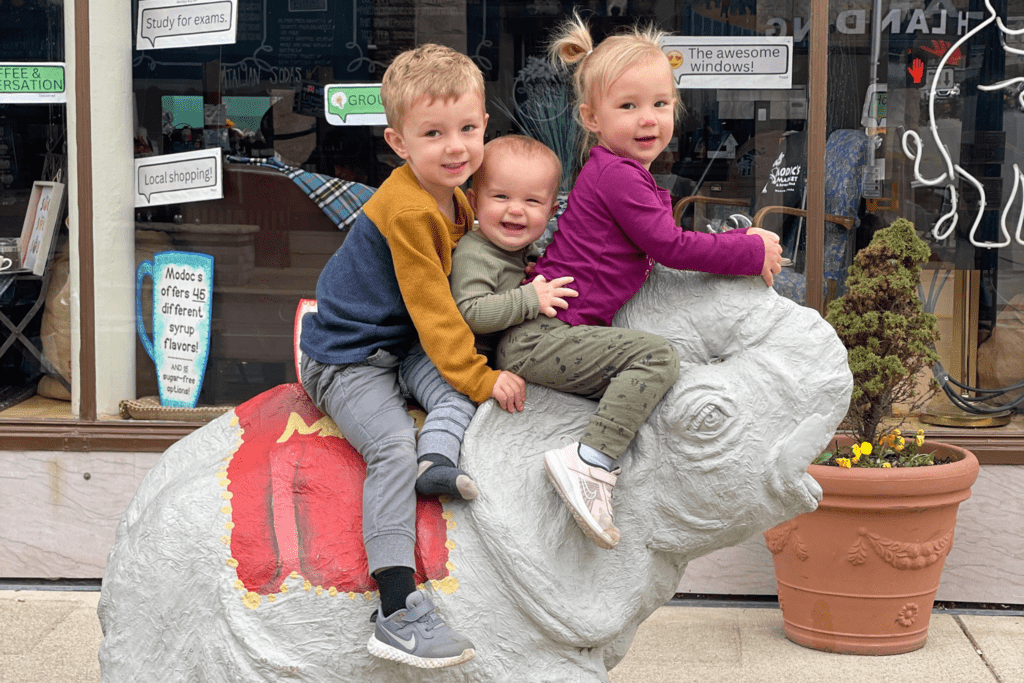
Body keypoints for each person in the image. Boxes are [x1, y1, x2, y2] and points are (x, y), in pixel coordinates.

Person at [496, 14, 783, 550]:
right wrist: (748, 249)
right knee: (657, 359)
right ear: (592, 118)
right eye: (628, 107)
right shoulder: (617, 175)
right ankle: (590, 462)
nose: (648, 119)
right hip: (545, 337)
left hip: (558, 331)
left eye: (660, 104)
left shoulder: (623, 173)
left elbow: (659, 247)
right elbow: (669, 245)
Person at [298, 43, 526, 670]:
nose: (456, 147)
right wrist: (482, 375)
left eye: (469, 129)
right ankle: (395, 610)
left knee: (448, 392)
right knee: (391, 444)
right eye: (433, 133)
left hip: (398, 346)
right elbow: (434, 310)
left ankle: (438, 462)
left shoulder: (453, 192)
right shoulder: (406, 209)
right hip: (348, 357)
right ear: (398, 142)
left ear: (485, 126)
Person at [450, 134, 578, 364]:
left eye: (532, 201)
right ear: (474, 203)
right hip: (468, 363)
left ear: (550, 213)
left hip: (510, 356)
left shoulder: (528, 251)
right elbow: (471, 313)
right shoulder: (475, 252)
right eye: (501, 196)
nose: (516, 210)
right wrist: (530, 297)